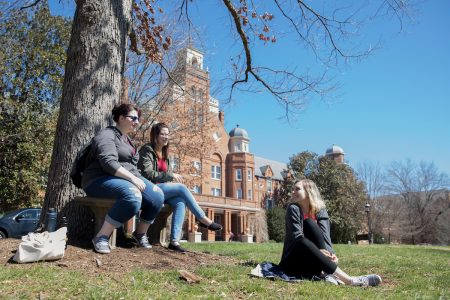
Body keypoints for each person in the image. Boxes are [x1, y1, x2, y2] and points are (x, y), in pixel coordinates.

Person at [82, 103, 165, 254]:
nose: (137, 122)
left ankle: (139, 234)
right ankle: (101, 236)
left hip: (124, 180)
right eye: (133, 118)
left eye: (138, 118)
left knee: (158, 196)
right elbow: (108, 163)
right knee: (132, 196)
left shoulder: (128, 141)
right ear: (121, 118)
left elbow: (132, 167)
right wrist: (133, 179)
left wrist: (142, 180)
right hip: (99, 179)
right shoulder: (107, 134)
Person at [278, 179, 382, 287]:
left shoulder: (320, 211)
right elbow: (297, 238)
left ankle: (326, 272)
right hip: (293, 262)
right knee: (304, 233)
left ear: (309, 192)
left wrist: (331, 256)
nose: (293, 192)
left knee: (310, 223)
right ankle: (350, 280)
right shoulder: (293, 208)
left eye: (297, 189)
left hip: (313, 262)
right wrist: (319, 252)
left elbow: (325, 236)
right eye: (292, 189)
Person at [137, 122, 222, 253]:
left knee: (180, 202)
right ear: (155, 135)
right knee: (181, 188)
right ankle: (203, 219)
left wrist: (169, 178)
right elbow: (147, 173)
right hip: (150, 189)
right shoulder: (147, 150)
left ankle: (174, 241)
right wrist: (170, 176)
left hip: (163, 192)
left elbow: (165, 176)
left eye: (167, 134)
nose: (166, 137)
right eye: (162, 134)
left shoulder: (165, 155)